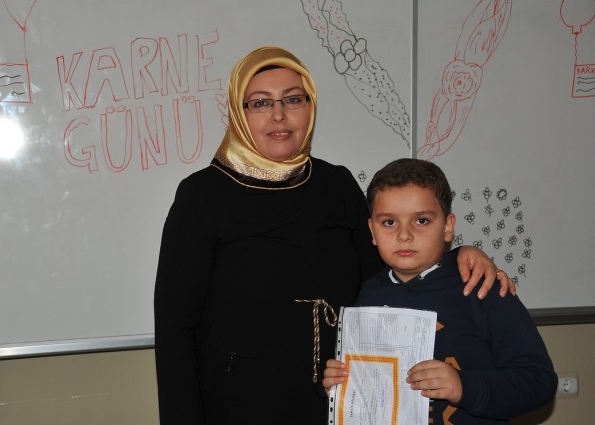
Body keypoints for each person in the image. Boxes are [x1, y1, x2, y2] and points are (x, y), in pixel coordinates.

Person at [154, 46, 514, 425]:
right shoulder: (203, 195)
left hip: (341, 398)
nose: (279, 114)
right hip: (239, 402)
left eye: (293, 99)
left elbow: (391, 273)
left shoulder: (336, 185)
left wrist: (458, 256)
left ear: (310, 106)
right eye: (260, 103)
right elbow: (175, 326)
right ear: (238, 113)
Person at [323, 158, 557, 424]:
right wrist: (342, 387)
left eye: (421, 220)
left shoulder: (482, 288)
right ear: (372, 232)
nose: (404, 235)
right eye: (389, 222)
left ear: (447, 227)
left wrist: (464, 388)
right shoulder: (367, 295)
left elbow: (540, 382)